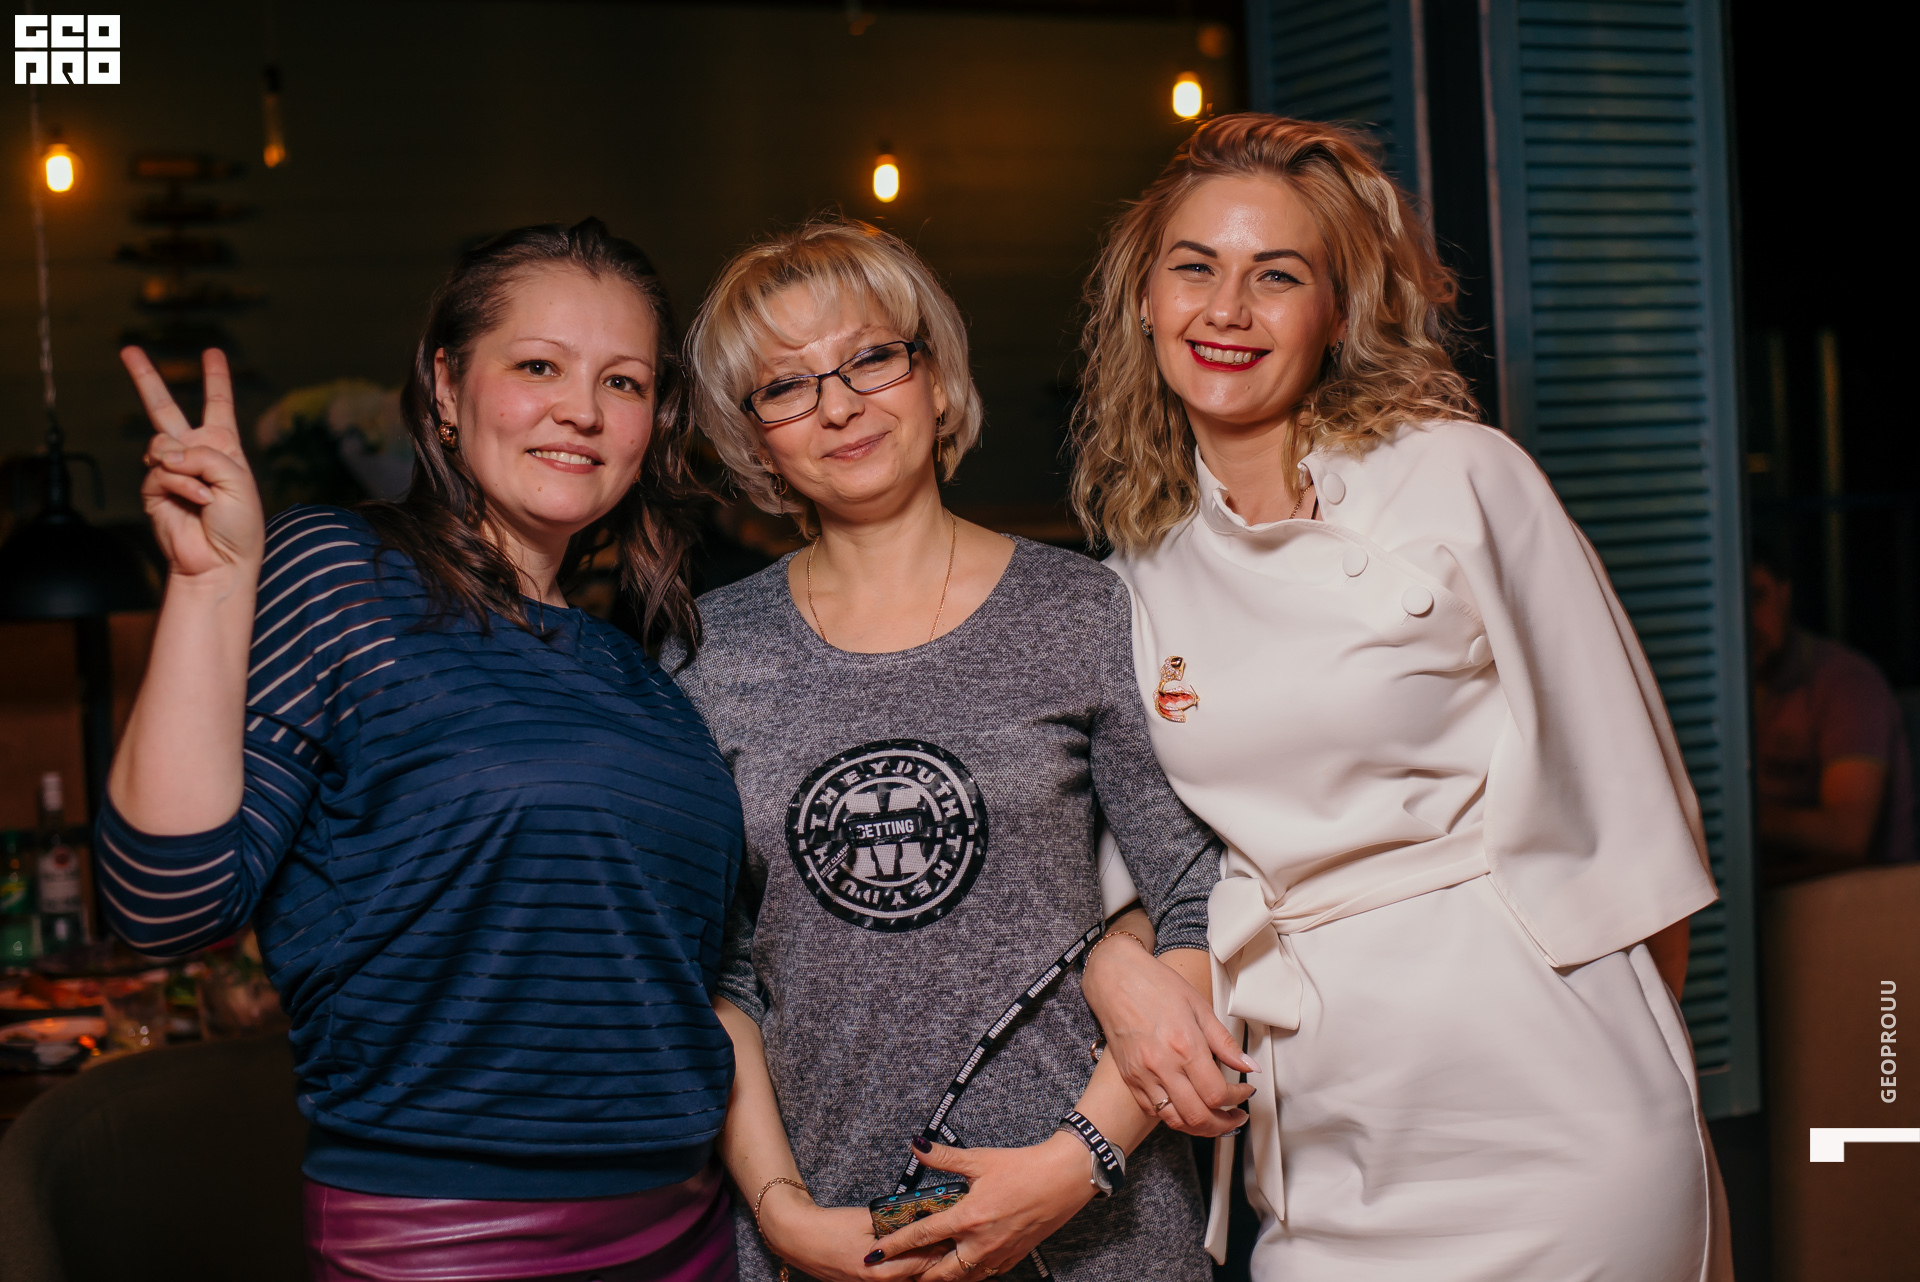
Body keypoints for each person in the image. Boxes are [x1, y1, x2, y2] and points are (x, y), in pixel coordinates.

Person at [1070, 114, 1733, 1280]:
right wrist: (1107, 960)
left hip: (1558, 1109)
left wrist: (1623, 1062)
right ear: (1144, 301)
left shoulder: (1462, 476)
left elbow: (1633, 824)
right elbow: (1149, 878)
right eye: (1195, 268)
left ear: (1340, 312)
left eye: (1279, 276)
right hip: (1326, 1137)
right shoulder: (1135, 575)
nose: (1228, 309)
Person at [97, 219, 746, 1282]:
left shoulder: (643, 671)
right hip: (448, 1232)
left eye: (623, 382)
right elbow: (166, 905)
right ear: (446, 386)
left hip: (687, 1226)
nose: (582, 410)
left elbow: (707, 979)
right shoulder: (343, 573)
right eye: (538, 366)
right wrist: (211, 588)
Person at [670, 218, 1252, 1282]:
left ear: (937, 379)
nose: (839, 405)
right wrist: (786, 1218)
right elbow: (718, 977)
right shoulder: (707, 655)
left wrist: (1078, 1160)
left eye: (871, 358)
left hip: (1102, 1230)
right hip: (837, 1235)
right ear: (753, 439)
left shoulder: (1082, 610)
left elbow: (1200, 896)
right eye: (786, 386)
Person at [1749, 544, 1916, 883]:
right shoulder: (1729, 689)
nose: (1743, 619)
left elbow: (1848, 835)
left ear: (1784, 593)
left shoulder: (1846, 683)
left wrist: (1735, 816)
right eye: (1728, 603)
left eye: (1755, 596)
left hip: (1864, 892)